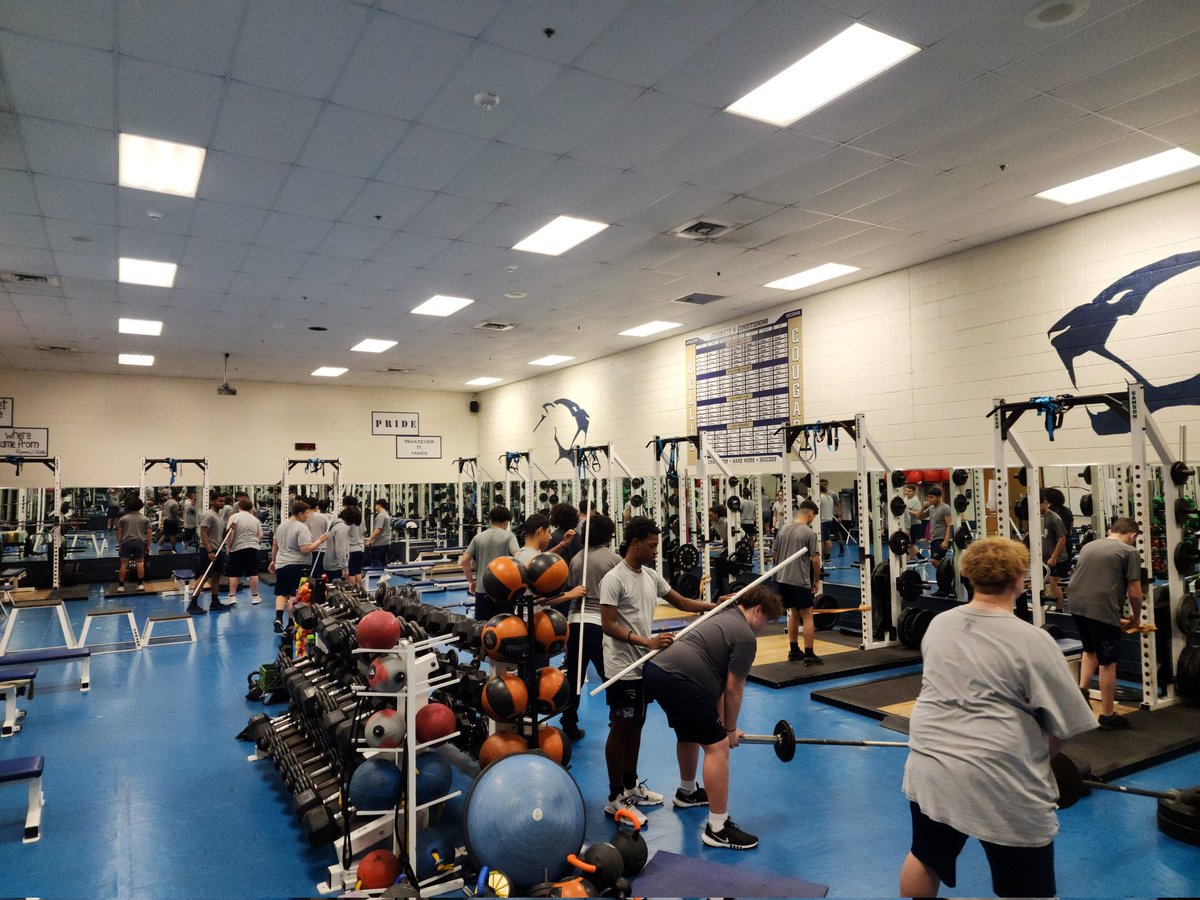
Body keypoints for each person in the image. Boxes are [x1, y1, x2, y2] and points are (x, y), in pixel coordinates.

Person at [898, 536, 1096, 899]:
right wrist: (1037, 760)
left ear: (969, 577)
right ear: (1020, 579)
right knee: (1026, 886)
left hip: (929, 765)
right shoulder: (1033, 640)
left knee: (926, 857)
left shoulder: (939, 624)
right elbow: (1066, 726)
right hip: (998, 777)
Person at [644, 586, 781, 851]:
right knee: (716, 748)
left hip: (657, 670)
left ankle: (687, 792)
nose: (764, 628)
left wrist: (723, 725)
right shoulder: (744, 637)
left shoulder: (721, 614)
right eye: (767, 621)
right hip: (684, 678)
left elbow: (716, 690)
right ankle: (718, 828)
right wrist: (727, 731)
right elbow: (733, 689)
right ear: (758, 610)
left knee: (689, 732)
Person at [599, 516, 716, 826]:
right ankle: (615, 799)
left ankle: (630, 786)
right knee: (621, 727)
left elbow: (681, 602)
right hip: (622, 667)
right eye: (651, 546)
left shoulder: (651, 576)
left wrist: (717, 604)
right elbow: (608, 624)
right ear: (635, 544)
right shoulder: (614, 579)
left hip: (643, 665)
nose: (655, 551)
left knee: (637, 723)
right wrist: (646, 642)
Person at [1066, 517, 1143, 730]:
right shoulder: (1130, 552)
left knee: (1090, 649)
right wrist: (1137, 618)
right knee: (1108, 663)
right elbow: (1135, 592)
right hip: (1099, 607)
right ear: (1133, 535)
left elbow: (1093, 580)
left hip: (1076, 604)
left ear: (1111, 530)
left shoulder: (1090, 545)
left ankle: (1082, 690)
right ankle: (1108, 715)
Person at [561, 514, 620, 742]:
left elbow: (570, 588)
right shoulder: (613, 559)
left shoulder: (576, 558)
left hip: (575, 623)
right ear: (607, 534)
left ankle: (569, 725)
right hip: (598, 624)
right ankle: (617, 720)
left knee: (574, 677)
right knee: (610, 676)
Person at [773, 499, 823, 664]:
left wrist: (781, 568)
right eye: (813, 517)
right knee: (807, 615)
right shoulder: (809, 533)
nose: (812, 520)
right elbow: (815, 560)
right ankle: (809, 654)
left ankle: (794, 650)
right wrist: (817, 580)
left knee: (793, 613)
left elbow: (775, 552)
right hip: (799, 580)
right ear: (810, 514)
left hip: (782, 579)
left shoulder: (783, 529)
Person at [269, 500, 328, 633]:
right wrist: (320, 540)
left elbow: (275, 545)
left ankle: (278, 618)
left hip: (282, 564)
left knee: (281, 593)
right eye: (307, 514)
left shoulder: (281, 526)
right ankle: (291, 623)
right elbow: (305, 549)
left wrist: (273, 561)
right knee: (295, 596)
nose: (308, 516)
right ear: (300, 514)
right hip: (297, 565)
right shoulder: (301, 528)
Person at [460, 506, 519, 622]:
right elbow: (518, 557)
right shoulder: (509, 536)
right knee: (504, 627)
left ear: (491, 521)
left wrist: (471, 582)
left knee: (482, 627)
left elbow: (464, 561)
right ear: (506, 522)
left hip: (482, 589)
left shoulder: (478, 537)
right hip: (503, 590)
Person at [194, 491, 231, 614]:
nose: (222, 503)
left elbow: (220, 535)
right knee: (204, 577)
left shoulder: (218, 516)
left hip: (218, 550)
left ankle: (214, 602)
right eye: (220, 501)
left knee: (216, 577)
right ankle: (193, 603)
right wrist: (209, 551)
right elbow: (203, 533)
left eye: (223, 501)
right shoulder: (209, 515)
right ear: (212, 501)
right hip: (208, 551)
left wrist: (230, 530)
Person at [225, 498, 264, 605]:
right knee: (253, 573)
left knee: (234, 573)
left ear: (239, 507)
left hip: (237, 548)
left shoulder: (234, 517)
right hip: (253, 548)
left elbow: (230, 534)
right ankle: (255, 597)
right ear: (251, 508)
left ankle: (232, 597)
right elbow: (260, 535)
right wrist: (254, 542)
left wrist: (229, 547)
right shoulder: (255, 519)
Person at [1039, 489, 1069, 612]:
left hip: (1058, 558)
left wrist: (1054, 557)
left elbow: (1062, 539)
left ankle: (1059, 610)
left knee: (1053, 583)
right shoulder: (1035, 517)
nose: (1043, 505)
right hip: (1043, 558)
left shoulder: (1054, 518)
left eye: (1044, 503)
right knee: (1041, 583)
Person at [115, 495, 151, 592]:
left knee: (123, 564)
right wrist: (148, 545)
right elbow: (149, 534)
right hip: (139, 542)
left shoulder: (123, 519)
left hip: (126, 542)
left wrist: (120, 544)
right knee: (140, 562)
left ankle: (121, 586)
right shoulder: (145, 519)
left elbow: (119, 533)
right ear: (140, 506)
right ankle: (140, 585)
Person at [707, 504, 738, 595]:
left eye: (711, 515)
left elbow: (733, 536)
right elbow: (723, 535)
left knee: (724, 559)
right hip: (729, 542)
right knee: (719, 559)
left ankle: (728, 577)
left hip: (738, 540)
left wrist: (727, 541)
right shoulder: (713, 522)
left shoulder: (725, 521)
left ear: (717, 515)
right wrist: (725, 540)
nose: (709, 517)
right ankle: (722, 583)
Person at [321, 506, 357, 582]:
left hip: (331, 563)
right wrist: (344, 568)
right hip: (336, 566)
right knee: (338, 592)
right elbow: (340, 550)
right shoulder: (342, 528)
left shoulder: (335, 525)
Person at [920, 487, 953, 561]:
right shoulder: (931, 507)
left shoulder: (945, 508)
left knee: (934, 560)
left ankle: (946, 572)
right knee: (935, 561)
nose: (929, 499)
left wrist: (946, 541)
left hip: (942, 538)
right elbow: (919, 516)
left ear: (939, 497)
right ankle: (945, 572)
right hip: (933, 538)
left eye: (931, 497)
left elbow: (949, 525)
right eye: (928, 497)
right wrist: (923, 507)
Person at [343, 496, 366, 590]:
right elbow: (364, 530)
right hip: (360, 547)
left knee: (351, 572)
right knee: (358, 572)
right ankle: (360, 591)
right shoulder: (361, 517)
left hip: (351, 548)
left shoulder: (349, 517)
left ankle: (352, 593)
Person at [366, 498, 392, 568]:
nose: (375, 507)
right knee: (383, 560)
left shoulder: (381, 515)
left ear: (379, 505)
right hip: (386, 541)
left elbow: (378, 529)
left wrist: (369, 540)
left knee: (375, 558)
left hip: (380, 541)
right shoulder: (386, 514)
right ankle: (384, 575)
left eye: (375, 505)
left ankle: (380, 574)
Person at [818, 479, 840, 560]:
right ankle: (827, 557)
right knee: (827, 538)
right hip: (829, 520)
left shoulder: (820, 498)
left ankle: (820, 557)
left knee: (821, 540)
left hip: (822, 521)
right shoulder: (829, 497)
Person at [901, 484, 923, 560]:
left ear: (914, 492)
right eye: (906, 490)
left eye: (909, 491)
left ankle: (912, 559)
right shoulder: (905, 499)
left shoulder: (915, 501)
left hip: (914, 525)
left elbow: (918, 514)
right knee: (909, 543)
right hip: (908, 524)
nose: (907, 492)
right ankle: (918, 556)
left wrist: (906, 510)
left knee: (910, 543)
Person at [161, 488, 183, 553]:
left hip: (166, 519)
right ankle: (173, 549)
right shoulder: (175, 503)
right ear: (176, 495)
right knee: (173, 535)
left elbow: (165, 511)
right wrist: (182, 511)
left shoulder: (167, 502)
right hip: (172, 520)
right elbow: (175, 513)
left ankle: (159, 545)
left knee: (165, 535)